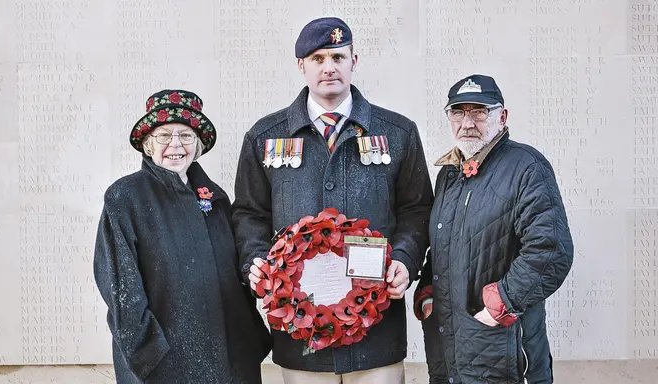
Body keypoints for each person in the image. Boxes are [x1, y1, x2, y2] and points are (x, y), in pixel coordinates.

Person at [231, 16, 433, 384]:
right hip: (300, 335)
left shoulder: (398, 132)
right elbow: (249, 213)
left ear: (354, 61)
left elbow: (417, 208)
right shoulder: (265, 136)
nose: (329, 68)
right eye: (318, 58)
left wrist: (404, 259)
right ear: (301, 66)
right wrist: (256, 263)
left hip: (377, 331)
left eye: (339, 57)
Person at [93, 89, 271, 383]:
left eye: (186, 136)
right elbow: (121, 291)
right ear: (149, 144)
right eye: (164, 135)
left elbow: (236, 273)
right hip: (165, 367)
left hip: (230, 364)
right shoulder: (125, 198)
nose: (176, 145)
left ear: (197, 145)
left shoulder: (215, 198)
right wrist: (150, 357)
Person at [413, 74, 574, 384]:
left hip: (505, 353)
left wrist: (499, 303)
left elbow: (551, 251)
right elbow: (443, 242)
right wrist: (428, 292)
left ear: (502, 116)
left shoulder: (526, 167)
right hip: (448, 354)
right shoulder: (449, 173)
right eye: (458, 112)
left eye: (479, 112)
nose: (467, 122)